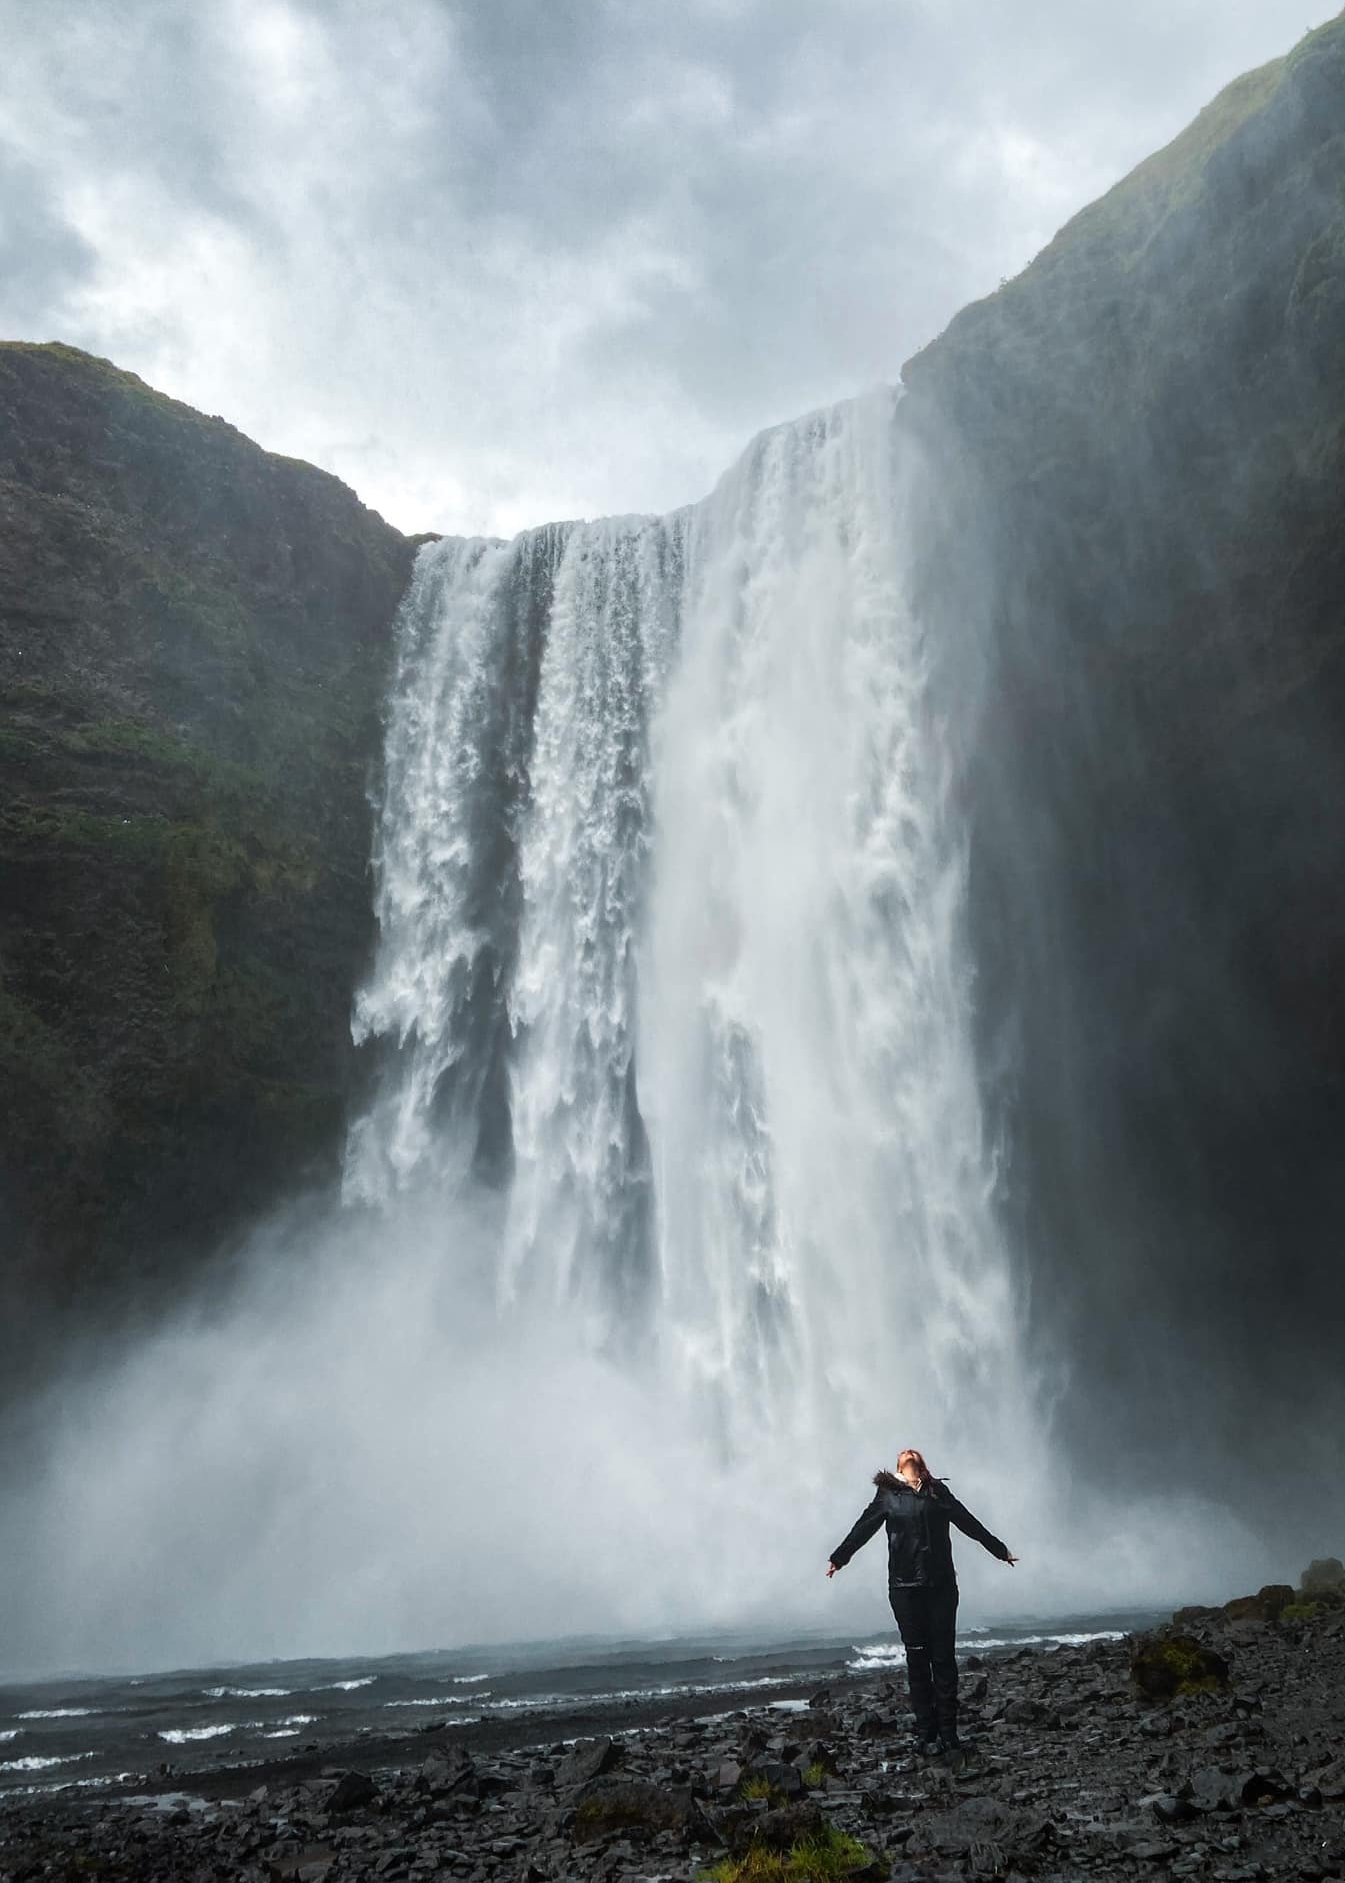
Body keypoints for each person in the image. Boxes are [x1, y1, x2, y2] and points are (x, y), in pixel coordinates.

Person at [826, 1447, 1017, 1761]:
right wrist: (838, 1558)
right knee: (918, 1662)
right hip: (905, 1590)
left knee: (943, 1660)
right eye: (902, 1453)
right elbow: (863, 1529)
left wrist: (1000, 1550)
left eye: (912, 1452)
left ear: (922, 1464)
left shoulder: (937, 1492)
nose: (908, 1452)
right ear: (898, 1466)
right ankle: (927, 1735)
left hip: (941, 1588)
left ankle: (949, 1735)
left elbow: (969, 1523)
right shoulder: (887, 1495)